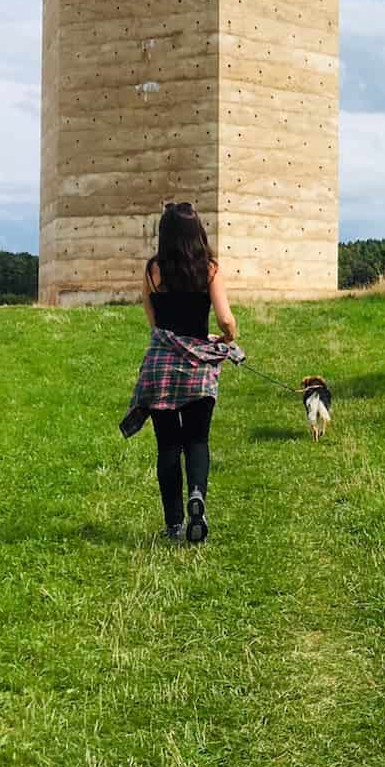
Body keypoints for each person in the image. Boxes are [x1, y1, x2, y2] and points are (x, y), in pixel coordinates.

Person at [132, 200, 240, 543]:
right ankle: (197, 497)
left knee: (167, 446)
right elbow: (225, 319)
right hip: (197, 370)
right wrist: (227, 337)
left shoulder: (152, 271)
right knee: (197, 439)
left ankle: (174, 524)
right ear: (198, 233)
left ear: (164, 234)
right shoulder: (209, 269)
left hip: (160, 367)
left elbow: (155, 323)